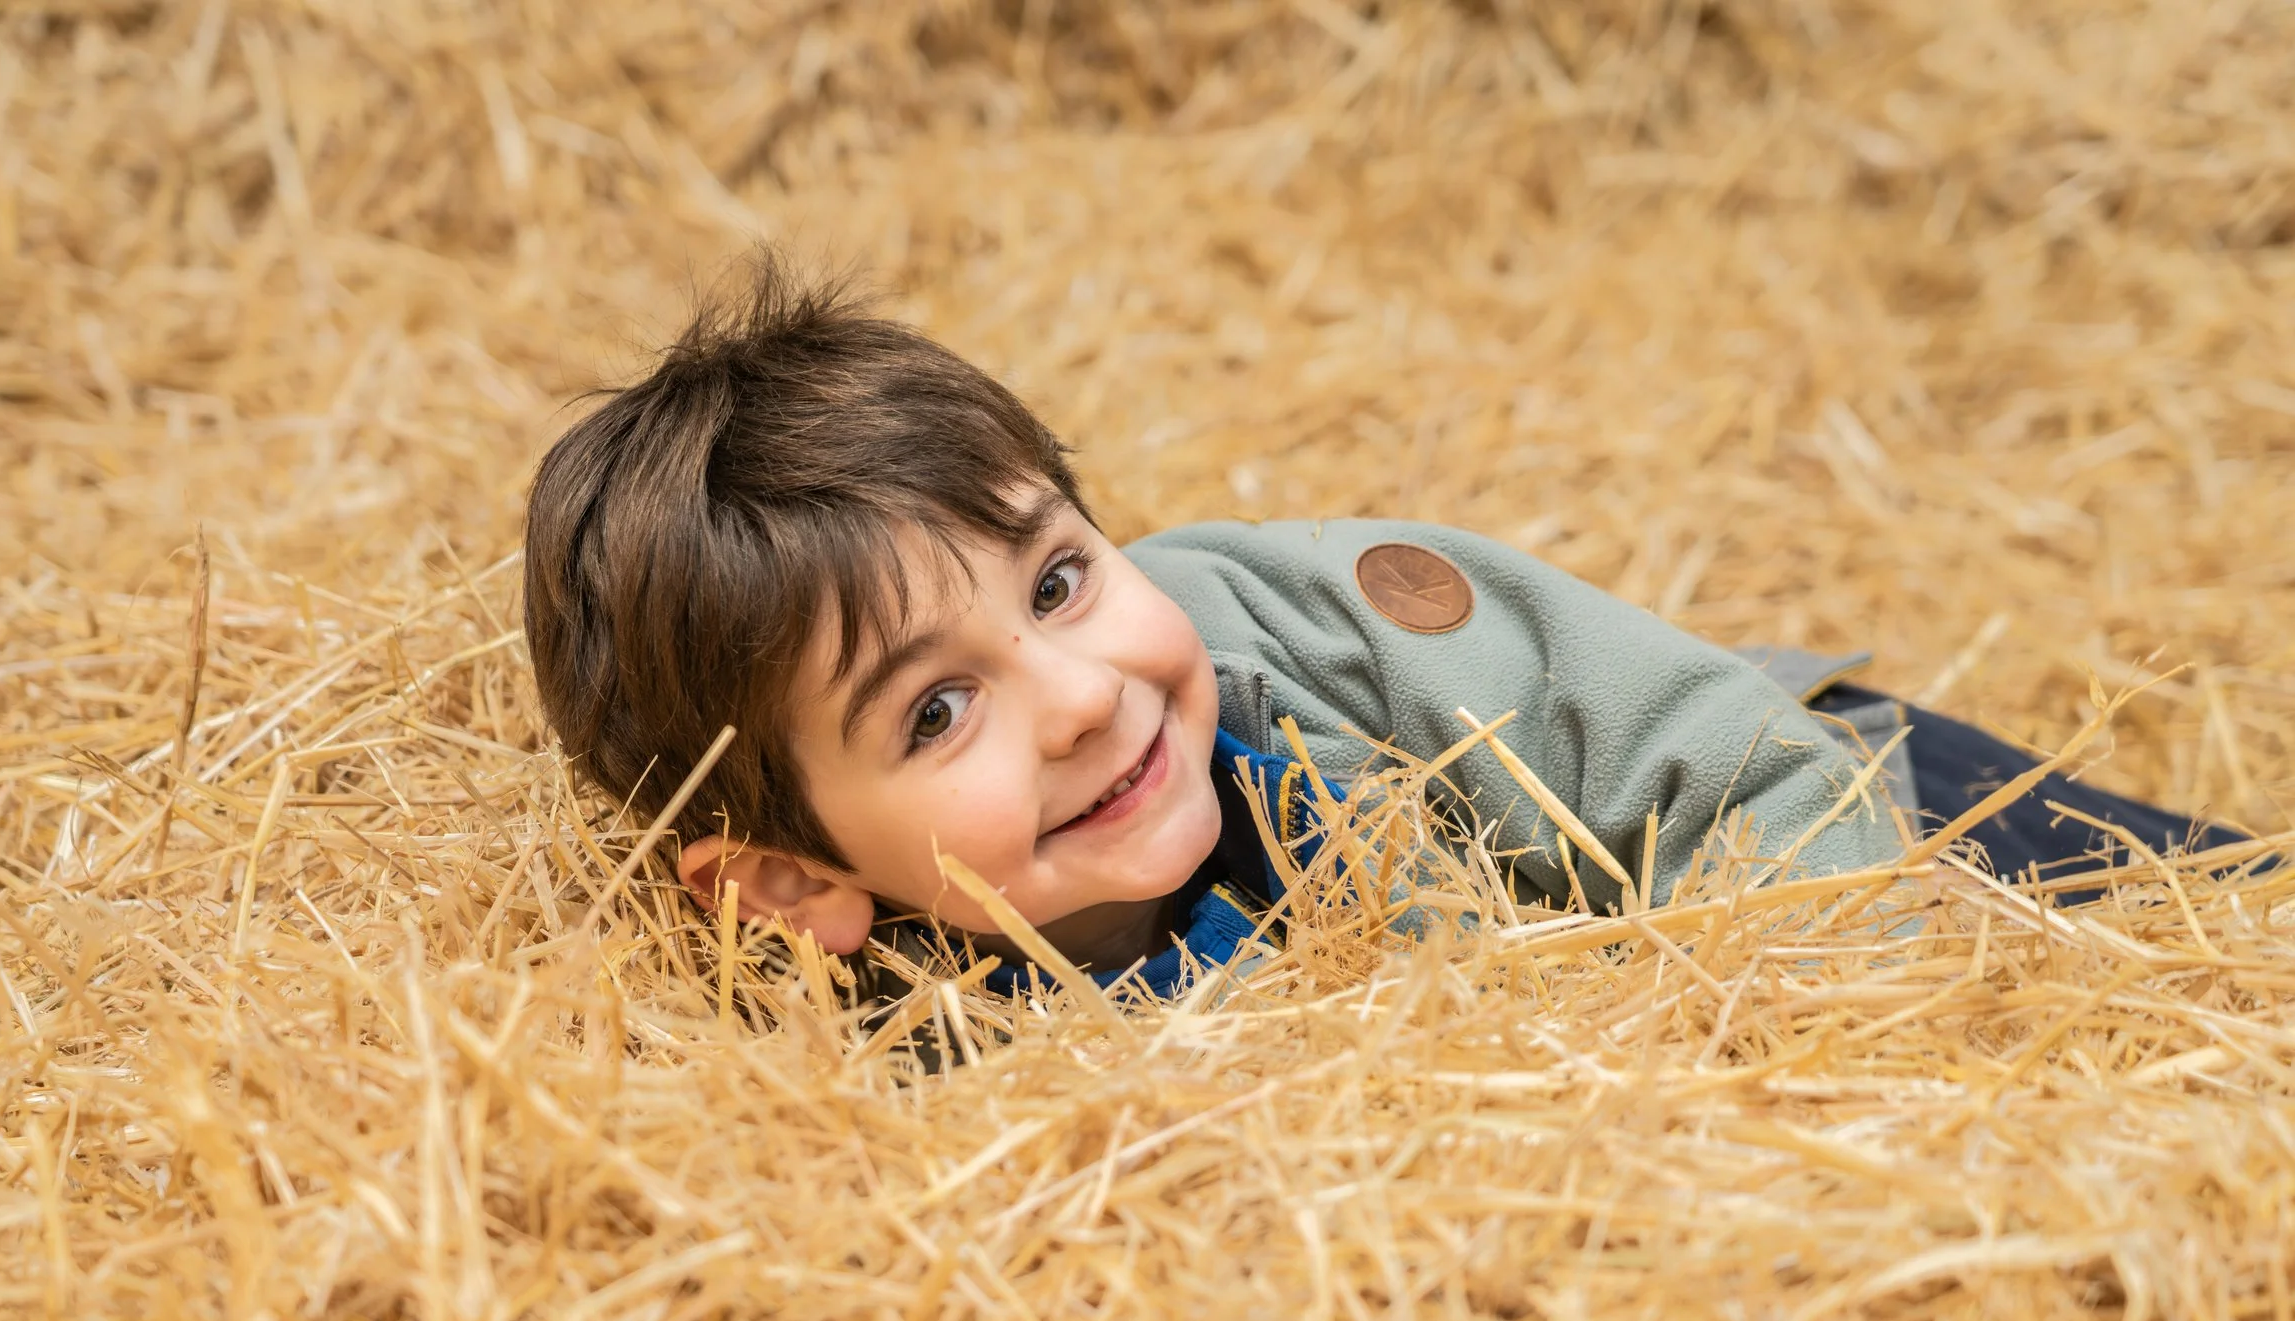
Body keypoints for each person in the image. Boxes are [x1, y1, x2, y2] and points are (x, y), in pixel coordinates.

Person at [520, 260, 2247, 999]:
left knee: (2233, 941)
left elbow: (1724, 776)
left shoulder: (1314, 637)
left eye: (1057, 583)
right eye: (932, 717)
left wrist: (1721, 1037)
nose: (1081, 696)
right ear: (791, 886)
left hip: (1833, 795)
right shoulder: (924, 1046)